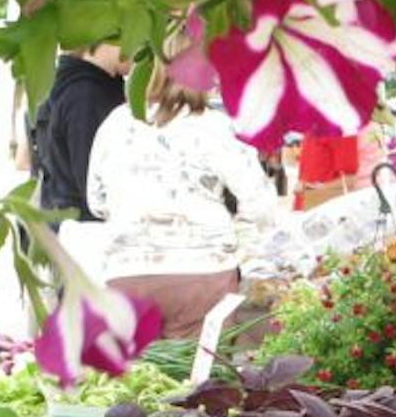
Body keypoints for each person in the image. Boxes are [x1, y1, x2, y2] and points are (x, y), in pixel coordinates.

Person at [87, 74, 282, 339]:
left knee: (141, 378)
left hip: (128, 271)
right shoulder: (215, 126)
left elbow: (96, 202)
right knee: (206, 376)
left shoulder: (116, 122)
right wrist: (239, 244)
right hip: (205, 273)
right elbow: (261, 204)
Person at [32, 43, 129, 223]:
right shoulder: (86, 95)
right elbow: (91, 181)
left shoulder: (83, 86)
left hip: (72, 222)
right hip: (85, 230)